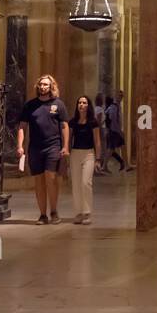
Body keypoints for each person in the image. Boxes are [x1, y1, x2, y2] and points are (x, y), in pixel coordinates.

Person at [17, 74, 69, 224]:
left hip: (53, 146)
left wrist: (65, 146)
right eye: (41, 85)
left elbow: (65, 125)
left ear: (51, 86)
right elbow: (22, 126)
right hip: (35, 147)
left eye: (46, 85)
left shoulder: (58, 104)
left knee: (50, 178)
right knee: (39, 180)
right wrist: (20, 146)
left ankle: (54, 211)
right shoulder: (30, 105)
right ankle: (42, 214)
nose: (43, 87)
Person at [68, 95, 102, 224]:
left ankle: (87, 212)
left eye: (84, 102)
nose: (81, 105)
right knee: (76, 184)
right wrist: (67, 153)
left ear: (88, 106)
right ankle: (78, 212)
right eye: (80, 102)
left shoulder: (93, 122)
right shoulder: (73, 122)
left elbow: (97, 141)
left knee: (85, 183)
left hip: (89, 154)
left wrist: (98, 159)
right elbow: (69, 138)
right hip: (75, 153)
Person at [103, 92, 126, 172]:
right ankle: (104, 166)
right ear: (116, 97)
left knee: (122, 145)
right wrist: (119, 131)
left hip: (116, 130)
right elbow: (113, 120)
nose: (121, 98)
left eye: (122, 96)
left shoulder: (118, 106)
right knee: (111, 149)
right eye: (119, 96)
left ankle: (126, 164)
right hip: (114, 131)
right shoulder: (114, 107)